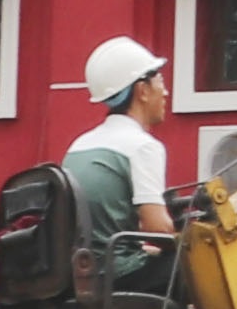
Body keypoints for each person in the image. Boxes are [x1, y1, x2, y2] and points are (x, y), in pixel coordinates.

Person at [61, 37, 179, 273]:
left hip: (81, 274)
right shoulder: (142, 146)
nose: (165, 92)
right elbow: (158, 230)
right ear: (142, 90)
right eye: (160, 81)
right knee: (201, 266)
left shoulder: (78, 146)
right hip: (118, 274)